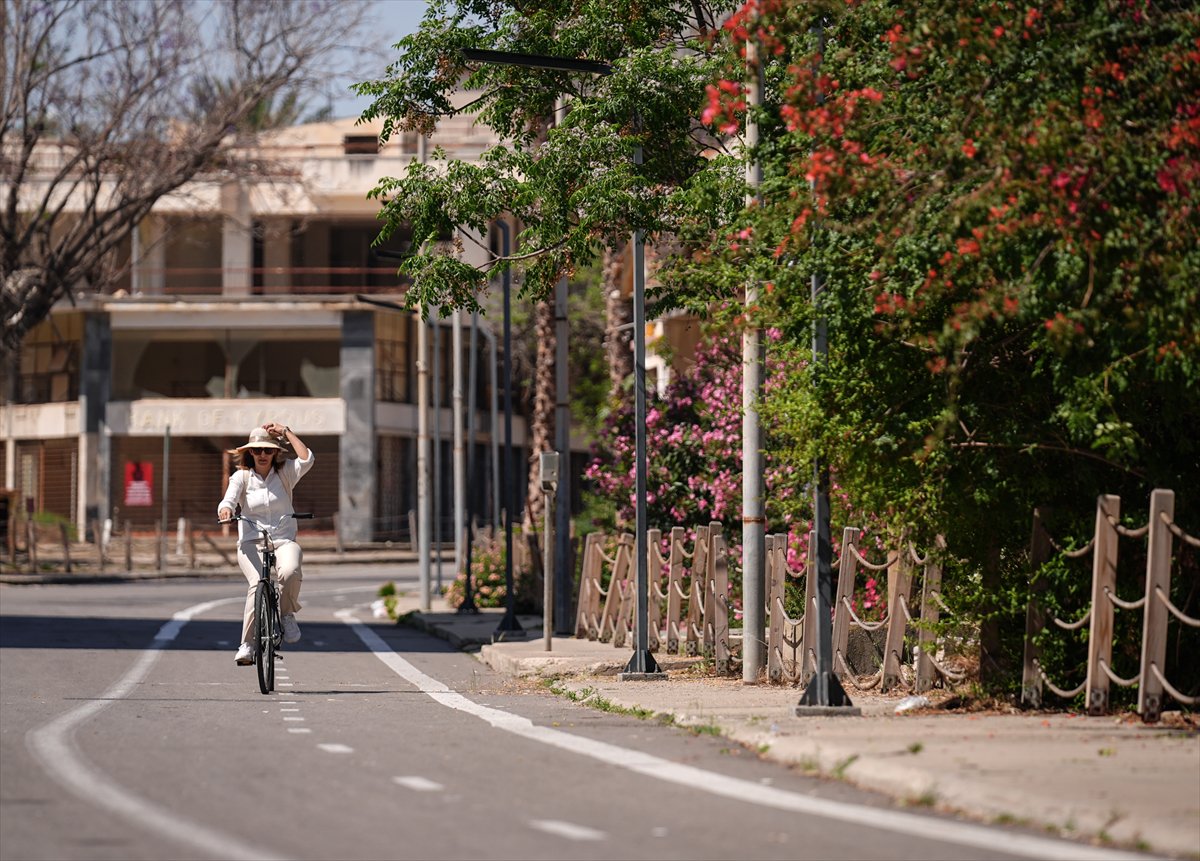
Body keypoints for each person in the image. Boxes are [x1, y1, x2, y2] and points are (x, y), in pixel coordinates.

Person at [217, 423, 314, 665]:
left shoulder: (286, 473)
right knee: (256, 585)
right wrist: (226, 509)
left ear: (275, 453)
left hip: (283, 539)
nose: (262, 454)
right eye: (257, 450)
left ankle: (286, 615)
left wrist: (286, 432)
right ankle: (247, 645)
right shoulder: (241, 477)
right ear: (249, 452)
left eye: (268, 450)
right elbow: (228, 499)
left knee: (290, 571)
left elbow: (307, 459)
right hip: (251, 542)